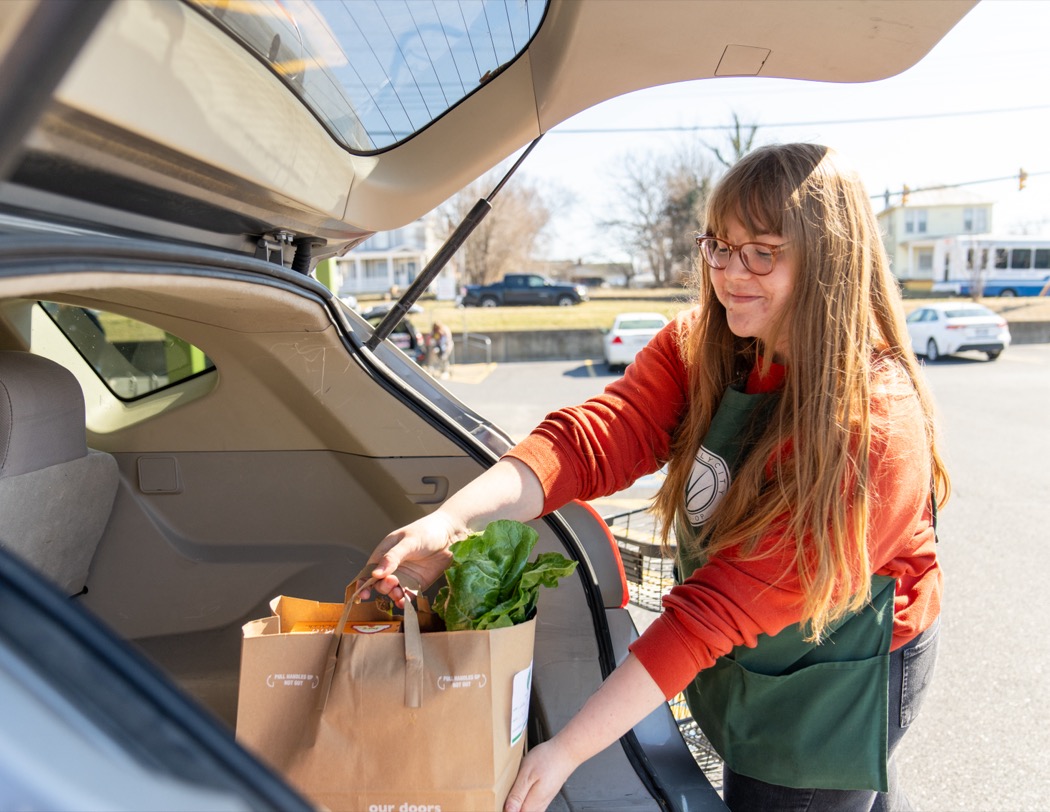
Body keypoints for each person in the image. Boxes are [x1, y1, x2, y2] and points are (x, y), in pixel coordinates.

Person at [360, 143, 948, 811]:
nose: (730, 273)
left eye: (762, 252)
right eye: (720, 247)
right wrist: (451, 520)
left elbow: (711, 615)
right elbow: (591, 440)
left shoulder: (873, 428)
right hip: (756, 635)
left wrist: (566, 751)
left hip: (843, 667)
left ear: (829, 261)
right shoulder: (707, 346)